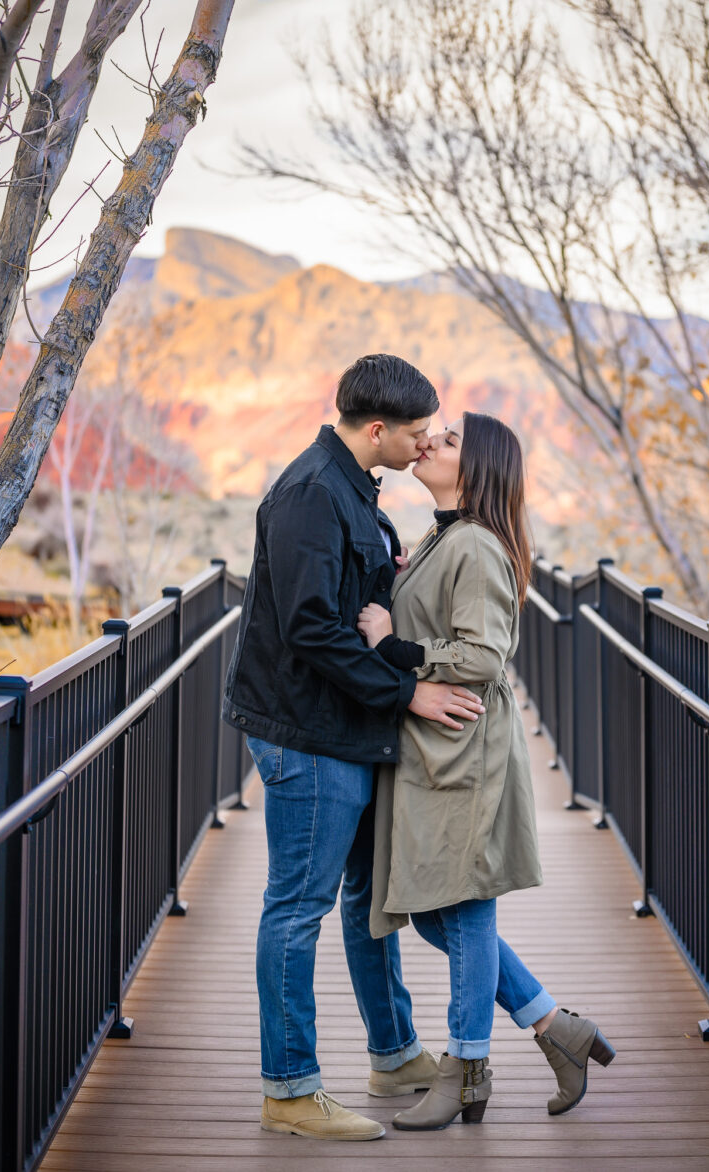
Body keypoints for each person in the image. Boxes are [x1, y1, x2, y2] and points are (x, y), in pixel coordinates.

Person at [223, 355, 485, 1141]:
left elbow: (346, 599)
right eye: (416, 433)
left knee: (369, 900)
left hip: (350, 729)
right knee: (296, 907)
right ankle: (291, 1087)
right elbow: (310, 631)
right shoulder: (311, 493)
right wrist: (410, 691)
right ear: (378, 430)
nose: (425, 443)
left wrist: (388, 581)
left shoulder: (352, 489)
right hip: (310, 734)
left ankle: (394, 1052)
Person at [357, 411, 616, 1131]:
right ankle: (553, 1026)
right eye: (434, 433)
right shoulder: (449, 538)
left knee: (465, 912)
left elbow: (481, 657)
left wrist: (394, 644)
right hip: (439, 753)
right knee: (442, 918)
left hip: (463, 753)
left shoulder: (474, 544)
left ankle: (466, 1069)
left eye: (450, 439)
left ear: (478, 469)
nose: (432, 441)